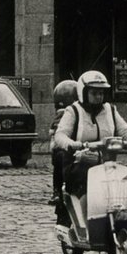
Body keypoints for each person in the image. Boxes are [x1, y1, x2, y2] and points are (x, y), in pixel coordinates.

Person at [50, 70, 127, 215]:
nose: (99, 96)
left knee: (121, 180)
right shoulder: (73, 111)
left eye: (101, 93)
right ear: (84, 92)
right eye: (94, 93)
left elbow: (125, 130)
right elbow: (60, 135)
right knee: (87, 182)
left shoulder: (110, 110)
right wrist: (72, 144)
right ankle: (86, 222)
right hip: (78, 164)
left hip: (106, 164)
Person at [48, 78, 79, 208]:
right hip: (62, 148)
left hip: (68, 147)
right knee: (60, 163)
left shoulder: (75, 112)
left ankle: (57, 191)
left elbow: (51, 131)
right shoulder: (68, 113)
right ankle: (58, 191)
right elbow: (53, 131)